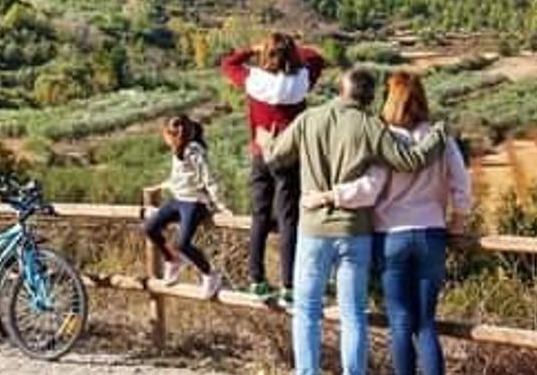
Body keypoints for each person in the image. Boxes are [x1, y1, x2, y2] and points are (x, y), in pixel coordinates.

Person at [262, 69, 446, 375]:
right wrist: (437, 136)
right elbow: (408, 161)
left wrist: (268, 142)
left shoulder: (309, 119)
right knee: (353, 314)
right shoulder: (371, 126)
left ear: (340, 90)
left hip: (313, 228)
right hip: (355, 231)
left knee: (307, 310)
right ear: (371, 97)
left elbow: (276, 157)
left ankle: (308, 371)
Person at [305, 71, 472, 375]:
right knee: (425, 323)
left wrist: (329, 196)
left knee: (399, 322)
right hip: (431, 234)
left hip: (390, 237)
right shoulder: (440, 138)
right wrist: (458, 222)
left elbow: (368, 189)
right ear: (422, 98)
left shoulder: (385, 139)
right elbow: (462, 184)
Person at [221, 32, 324, 303]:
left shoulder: (254, 81)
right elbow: (316, 57)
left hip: (261, 151)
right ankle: (289, 285)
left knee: (260, 216)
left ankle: (257, 279)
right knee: (289, 219)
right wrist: (293, 50)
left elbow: (228, 64)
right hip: (290, 155)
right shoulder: (302, 81)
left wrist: (253, 49)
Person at [141, 115, 231, 299]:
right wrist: (161, 186)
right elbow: (180, 177)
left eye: (166, 135)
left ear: (175, 135)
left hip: (194, 203)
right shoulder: (177, 150)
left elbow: (209, 178)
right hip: (178, 199)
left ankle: (210, 274)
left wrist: (220, 205)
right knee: (150, 227)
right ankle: (172, 260)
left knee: (182, 243)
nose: (165, 139)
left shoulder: (195, 151)